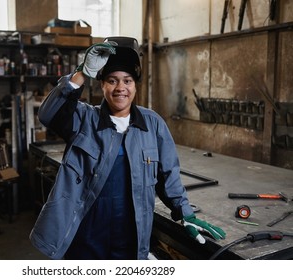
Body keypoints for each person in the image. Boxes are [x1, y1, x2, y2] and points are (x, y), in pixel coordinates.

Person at [29, 36, 226, 260]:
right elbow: (48, 114)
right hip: (85, 239)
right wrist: (81, 73)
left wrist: (186, 214)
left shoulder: (153, 124)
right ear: (102, 84)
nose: (120, 88)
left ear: (135, 86)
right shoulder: (84, 119)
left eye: (127, 81)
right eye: (112, 80)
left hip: (130, 240)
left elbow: (169, 175)